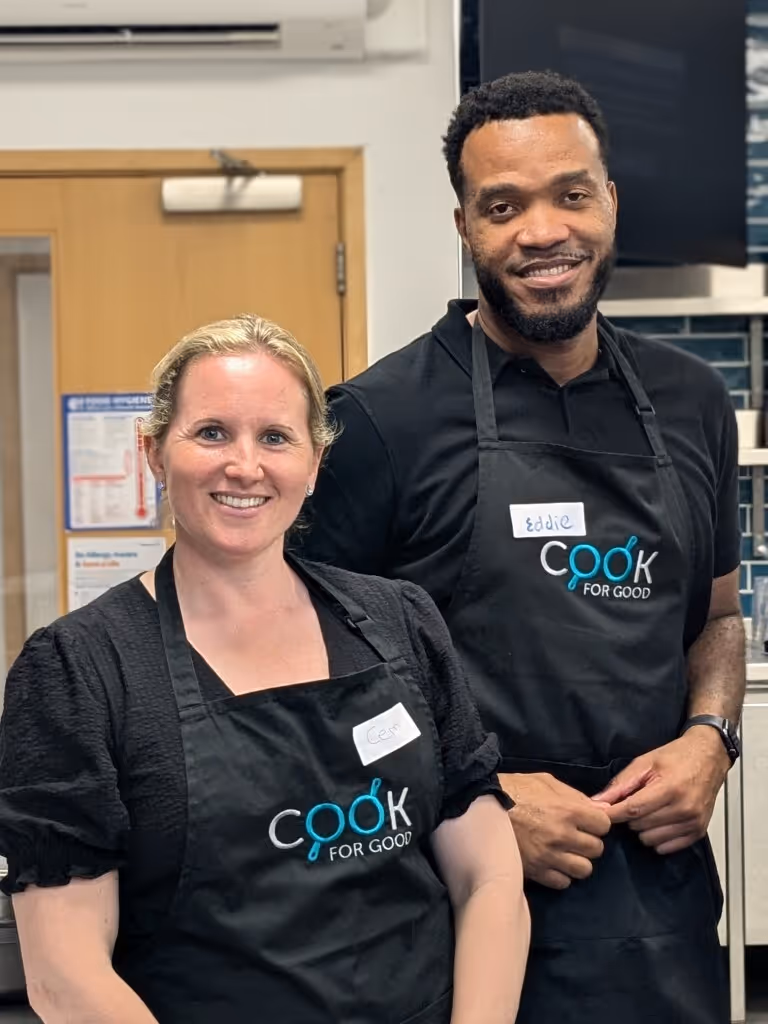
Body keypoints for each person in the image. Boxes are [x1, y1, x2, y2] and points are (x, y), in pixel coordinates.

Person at [297, 71, 745, 1023]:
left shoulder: (694, 401)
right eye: (503, 206)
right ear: (465, 226)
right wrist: (478, 796)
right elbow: (311, 686)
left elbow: (714, 619)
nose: (542, 232)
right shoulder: (380, 423)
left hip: (662, 904)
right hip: (459, 906)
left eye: (570, 195)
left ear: (610, 202)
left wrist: (711, 740)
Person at [0, 314, 529, 1023]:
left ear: (314, 464)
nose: (244, 466)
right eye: (211, 432)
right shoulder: (78, 670)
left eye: (275, 437)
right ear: (154, 452)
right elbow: (66, 979)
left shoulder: (399, 620)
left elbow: (489, 874)